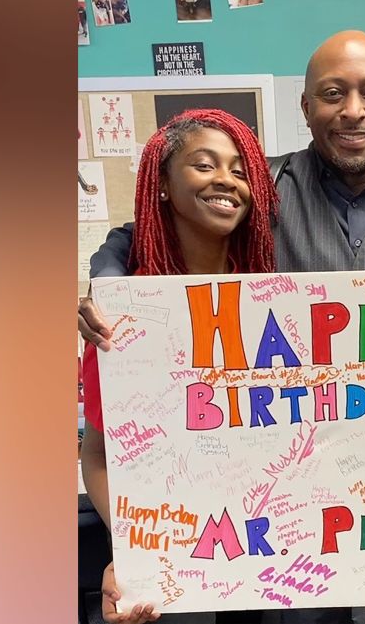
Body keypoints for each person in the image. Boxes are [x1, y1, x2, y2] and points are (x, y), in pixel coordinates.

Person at [80, 30, 365, 624]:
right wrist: (108, 284)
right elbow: (150, 226)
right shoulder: (261, 187)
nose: (352, 110)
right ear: (306, 108)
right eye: (332, 93)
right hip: (283, 510)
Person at [79, 108, 277, 624]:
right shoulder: (119, 313)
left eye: (239, 170)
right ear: (162, 185)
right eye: (204, 165)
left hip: (271, 549)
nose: (225, 181)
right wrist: (130, 545)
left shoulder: (275, 298)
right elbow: (99, 454)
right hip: (172, 555)